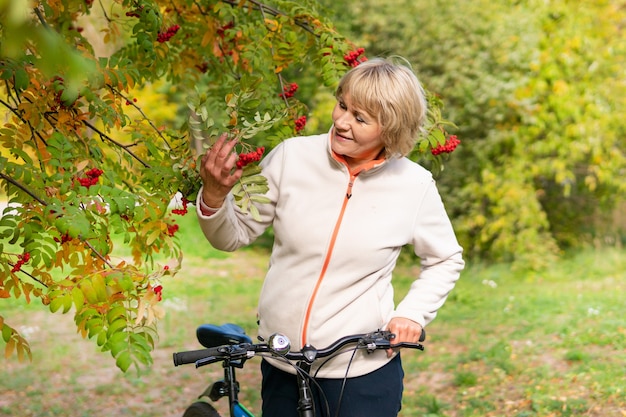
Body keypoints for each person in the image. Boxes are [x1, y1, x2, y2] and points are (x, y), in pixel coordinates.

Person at [196, 57, 464, 417]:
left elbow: (445, 258)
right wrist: (213, 198)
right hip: (283, 364)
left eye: (360, 117)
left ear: (391, 128)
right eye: (342, 105)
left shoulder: (413, 185)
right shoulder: (291, 157)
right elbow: (233, 235)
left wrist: (413, 315)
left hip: (363, 374)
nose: (340, 121)